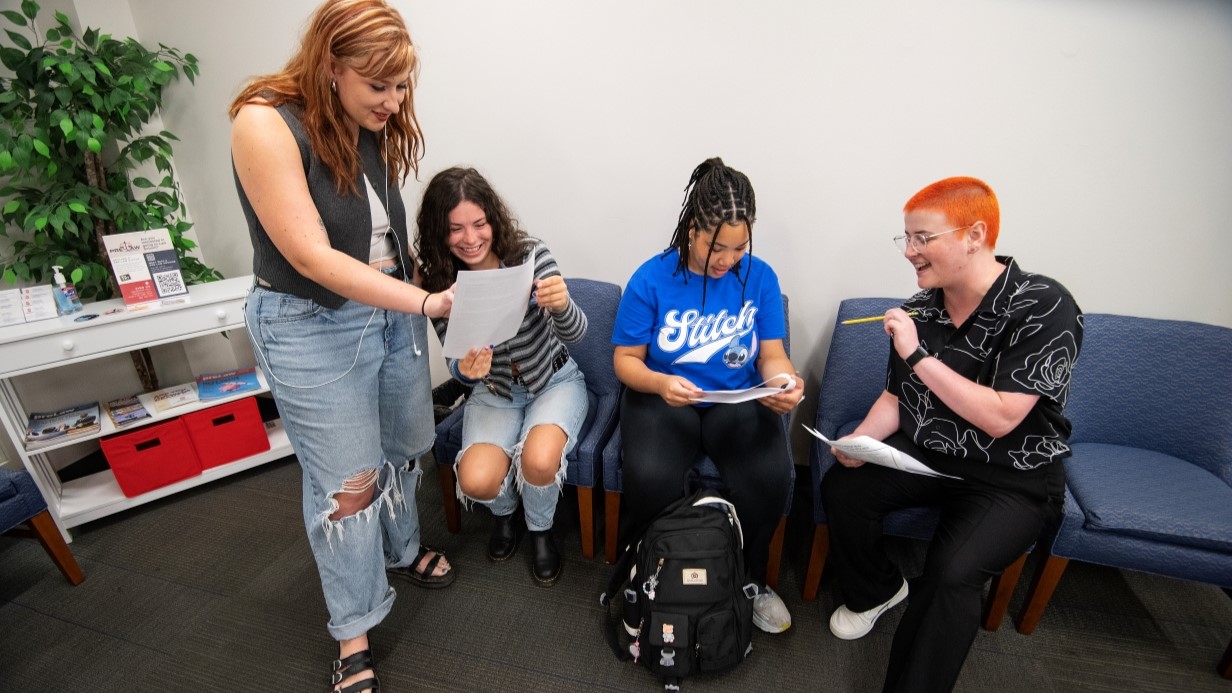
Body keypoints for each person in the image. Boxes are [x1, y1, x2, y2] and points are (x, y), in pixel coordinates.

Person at [229, 2, 456, 690]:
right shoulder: (263, 120)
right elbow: (313, 255)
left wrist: (419, 284)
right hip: (311, 322)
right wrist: (423, 301)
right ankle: (353, 630)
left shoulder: (369, 117)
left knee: (403, 444)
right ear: (331, 65)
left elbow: (376, 225)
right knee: (347, 483)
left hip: (388, 310)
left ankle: (402, 548)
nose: (393, 101)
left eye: (402, 86)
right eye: (377, 86)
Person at [821, 177, 1083, 692]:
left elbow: (1003, 417)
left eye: (923, 238)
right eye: (906, 239)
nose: (910, 253)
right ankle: (879, 589)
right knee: (841, 488)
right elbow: (897, 399)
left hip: (1011, 475)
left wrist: (918, 354)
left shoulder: (1044, 305)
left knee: (950, 574)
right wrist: (858, 441)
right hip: (928, 455)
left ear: (975, 235)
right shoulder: (922, 307)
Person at [611, 157, 802, 634]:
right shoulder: (651, 278)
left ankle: (749, 579)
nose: (728, 260)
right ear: (692, 228)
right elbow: (625, 361)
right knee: (649, 475)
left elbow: (772, 356)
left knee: (771, 476)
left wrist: (783, 382)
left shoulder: (759, 277)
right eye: (718, 247)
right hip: (663, 397)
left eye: (740, 248)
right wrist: (659, 382)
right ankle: (642, 573)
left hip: (732, 400)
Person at [415, 166, 589, 587]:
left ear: (493, 219)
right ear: (439, 232)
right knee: (475, 480)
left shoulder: (530, 254)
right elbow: (455, 360)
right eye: (455, 229)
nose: (471, 238)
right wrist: (464, 370)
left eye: (479, 224)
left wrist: (562, 304)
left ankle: (541, 530)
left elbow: (578, 333)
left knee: (540, 460)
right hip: (494, 393)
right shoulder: (440, 283)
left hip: (554, 380)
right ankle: (505, 515)